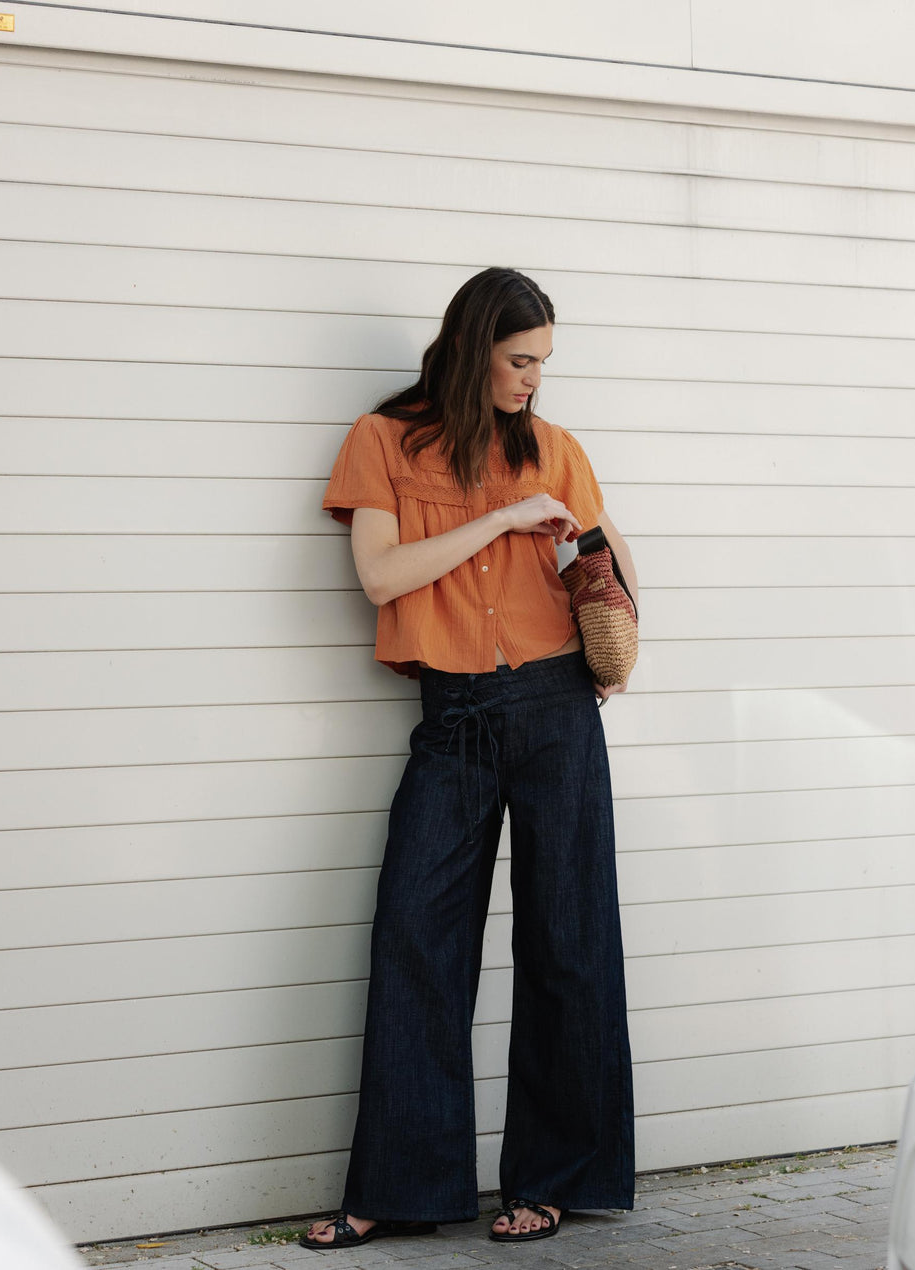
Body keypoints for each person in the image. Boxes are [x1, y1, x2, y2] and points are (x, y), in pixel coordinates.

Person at [301, 267, 636, 1251]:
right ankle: (397, 1188)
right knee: (415, 935)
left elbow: (604, 558)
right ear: (472, 346)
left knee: (568, 941)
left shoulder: (556, 448)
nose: (533, 378)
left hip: (552, 709)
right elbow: (379, 576)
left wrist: (615, 642)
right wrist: (497, 518)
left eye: (542, 363)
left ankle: (555, 1177)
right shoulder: (384, 440)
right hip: (452, 715)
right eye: (518, 359)